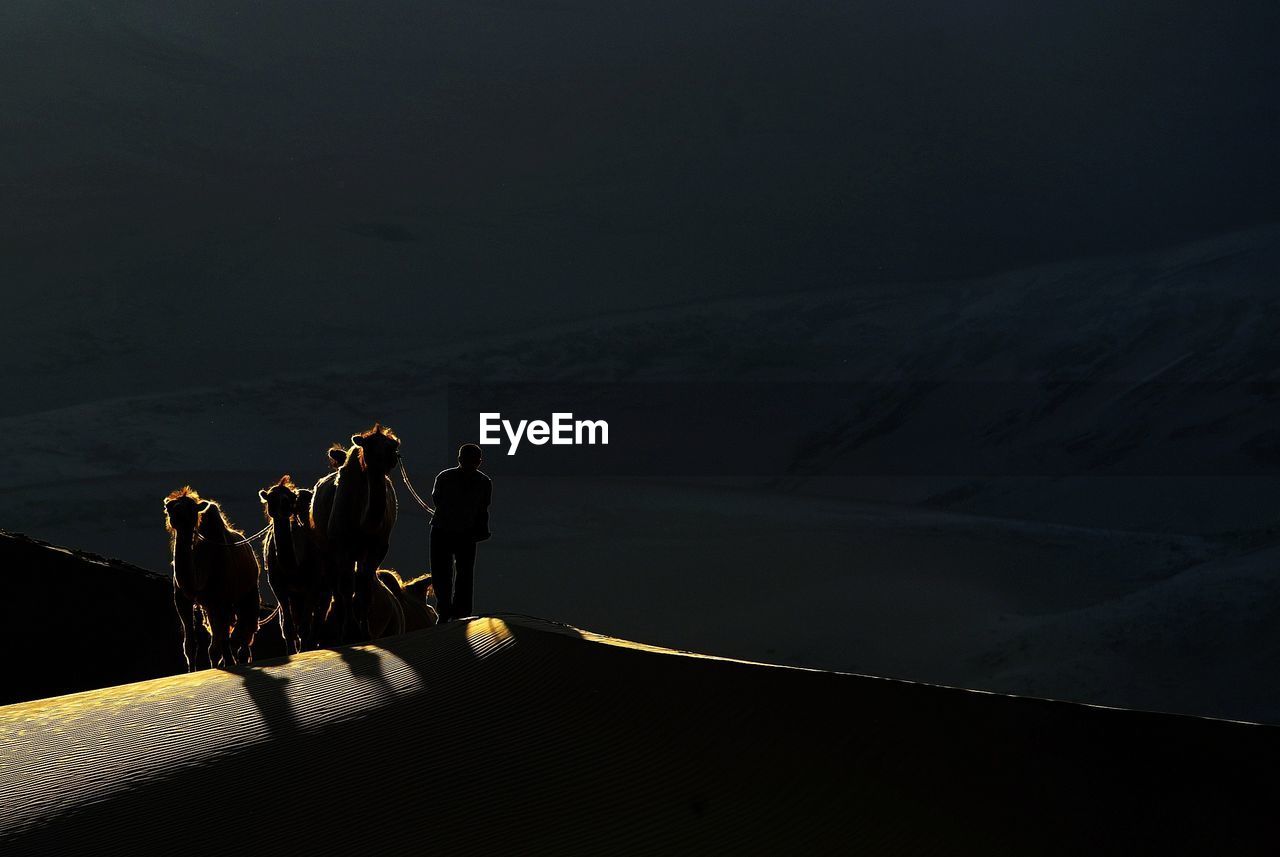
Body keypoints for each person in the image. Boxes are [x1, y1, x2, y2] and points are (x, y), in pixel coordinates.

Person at [429, 443, 492, 622]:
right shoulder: (484, 482)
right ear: (479, 462)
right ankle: (461, 613)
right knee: (464, 573)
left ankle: (444, 611)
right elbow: (483, 509)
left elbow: (437, 500)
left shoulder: (444, 477)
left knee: (442, 571)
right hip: (466, 533)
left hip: (442, 530)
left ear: (459, 459)